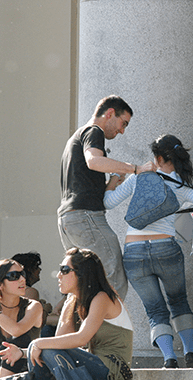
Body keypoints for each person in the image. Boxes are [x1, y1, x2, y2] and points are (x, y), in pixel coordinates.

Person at [104, 135, 193, 369]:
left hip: (134, 252)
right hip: (166, 248)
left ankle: (169, 358)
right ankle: (190, 352)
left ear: (157, 158)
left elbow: (108, 202)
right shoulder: (180, 184)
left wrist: (115, 179)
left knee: (155, 310)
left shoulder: (139, 178)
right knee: (178, 301)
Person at [0, 248, 134, 380]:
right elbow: (57, 345)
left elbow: (81, 338)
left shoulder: (102, 298)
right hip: (95, 367)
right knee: (45, 348)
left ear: (82, 273)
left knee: (44, 345)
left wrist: (38, 343)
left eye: (64, 270)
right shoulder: (74, 301)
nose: (58, 275)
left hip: (113, 373)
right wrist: (22, 352)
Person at [57, 94, 155, 300]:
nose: (122, 130)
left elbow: (81, 186)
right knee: (114, 279)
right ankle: (108, 331)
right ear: (110, 113)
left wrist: (109, 185)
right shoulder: (94, 131)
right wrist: (136, 169)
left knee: (83, 286)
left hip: (69, 221)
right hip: (86, 219)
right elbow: (94, 161)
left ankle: (82, 330)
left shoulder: (75, 137)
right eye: (123, 123)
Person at [12, 252, 53, 328]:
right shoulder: (30, 292)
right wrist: (45, 310)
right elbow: (34, 323)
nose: (40, 270)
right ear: (29, 270)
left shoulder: (10, 290)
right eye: (36, 267)